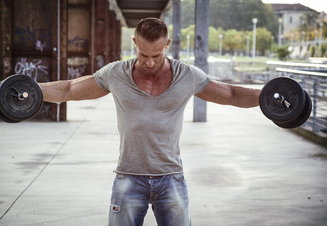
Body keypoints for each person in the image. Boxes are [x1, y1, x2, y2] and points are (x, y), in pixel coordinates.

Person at [39, 17, 261, 226]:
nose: (151, 62)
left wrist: (269, 97)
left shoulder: (187, 76)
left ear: (168, 45)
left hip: (171, 178)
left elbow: (231, 94)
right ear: (134, 42)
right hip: (129, 177)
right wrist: (29, 90)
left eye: (157, 55)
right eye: (144, 55)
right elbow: (69, 89)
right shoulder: (116, 73)